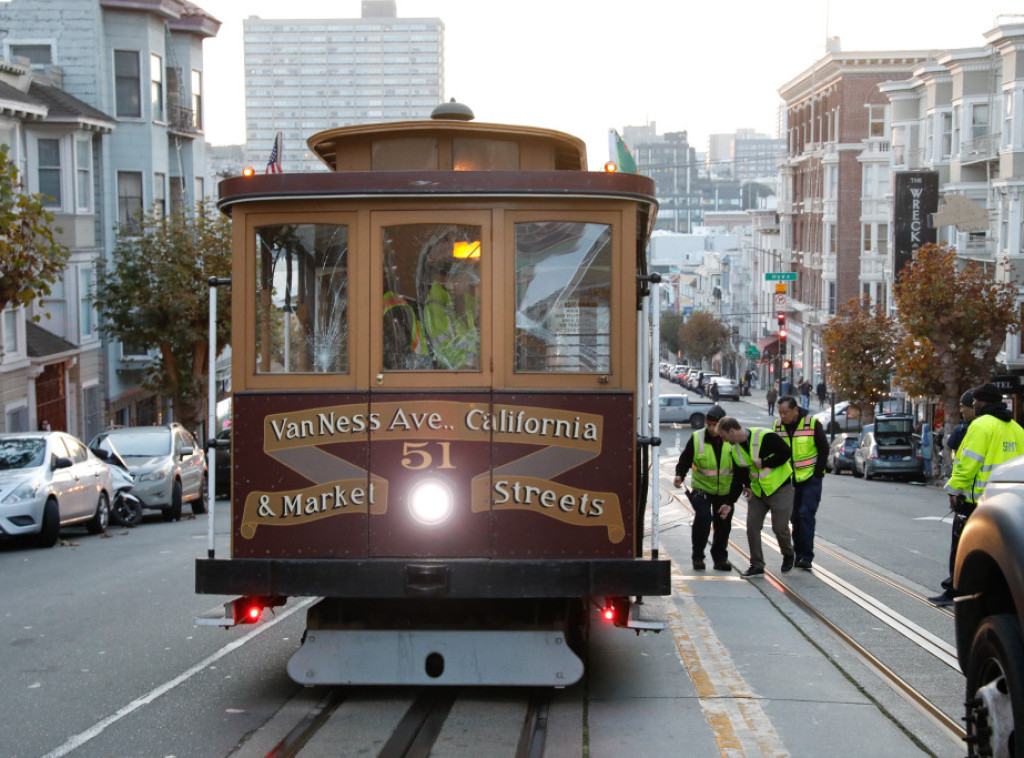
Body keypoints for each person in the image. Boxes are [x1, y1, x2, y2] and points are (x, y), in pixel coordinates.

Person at [932, 384, 1024, 606]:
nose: (972, 404)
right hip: (1009, 502)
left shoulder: (981, 426)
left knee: (962, 547)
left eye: (975, 401)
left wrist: (954, 490)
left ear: (984, 402)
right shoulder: (1016, 429)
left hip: (976, 500)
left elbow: (968, 463)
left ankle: (956, 592)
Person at [717, 415, 795, 577]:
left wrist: (765, 462)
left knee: (779, 528)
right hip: (758, 492)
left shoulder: (765, 436)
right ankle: (757, 564)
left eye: (724, 436)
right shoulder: (736, 450)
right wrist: (729, 502)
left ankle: (788, 554)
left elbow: (786, 453)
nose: (723, 440)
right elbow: (738, 478)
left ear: (731, 431)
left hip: (780, 488)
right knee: (752, 528)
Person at [673, 405, 741, 571]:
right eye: (708, 424)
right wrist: (680, 475)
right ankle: (698, 557)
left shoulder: (731, 441)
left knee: (723, 524)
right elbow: (685, 458)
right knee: (703, 519)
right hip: (701, 488)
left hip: (724, 491)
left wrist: (745, 485)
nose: (711, 428)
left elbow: (741, 466)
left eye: (714, 425)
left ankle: (720, 559)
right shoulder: (697, 438)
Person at [774, 395, 829, 570]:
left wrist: (817, 474)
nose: (782, 416)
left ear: (795, 410)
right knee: (795, 517)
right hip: (789, 480)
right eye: (780, 413)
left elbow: (823, 448)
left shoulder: (812, 424)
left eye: (785, 412)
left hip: (810, 479)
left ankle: (806, 556)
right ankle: (798, 553)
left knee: (806, 514)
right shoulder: (777, 426)